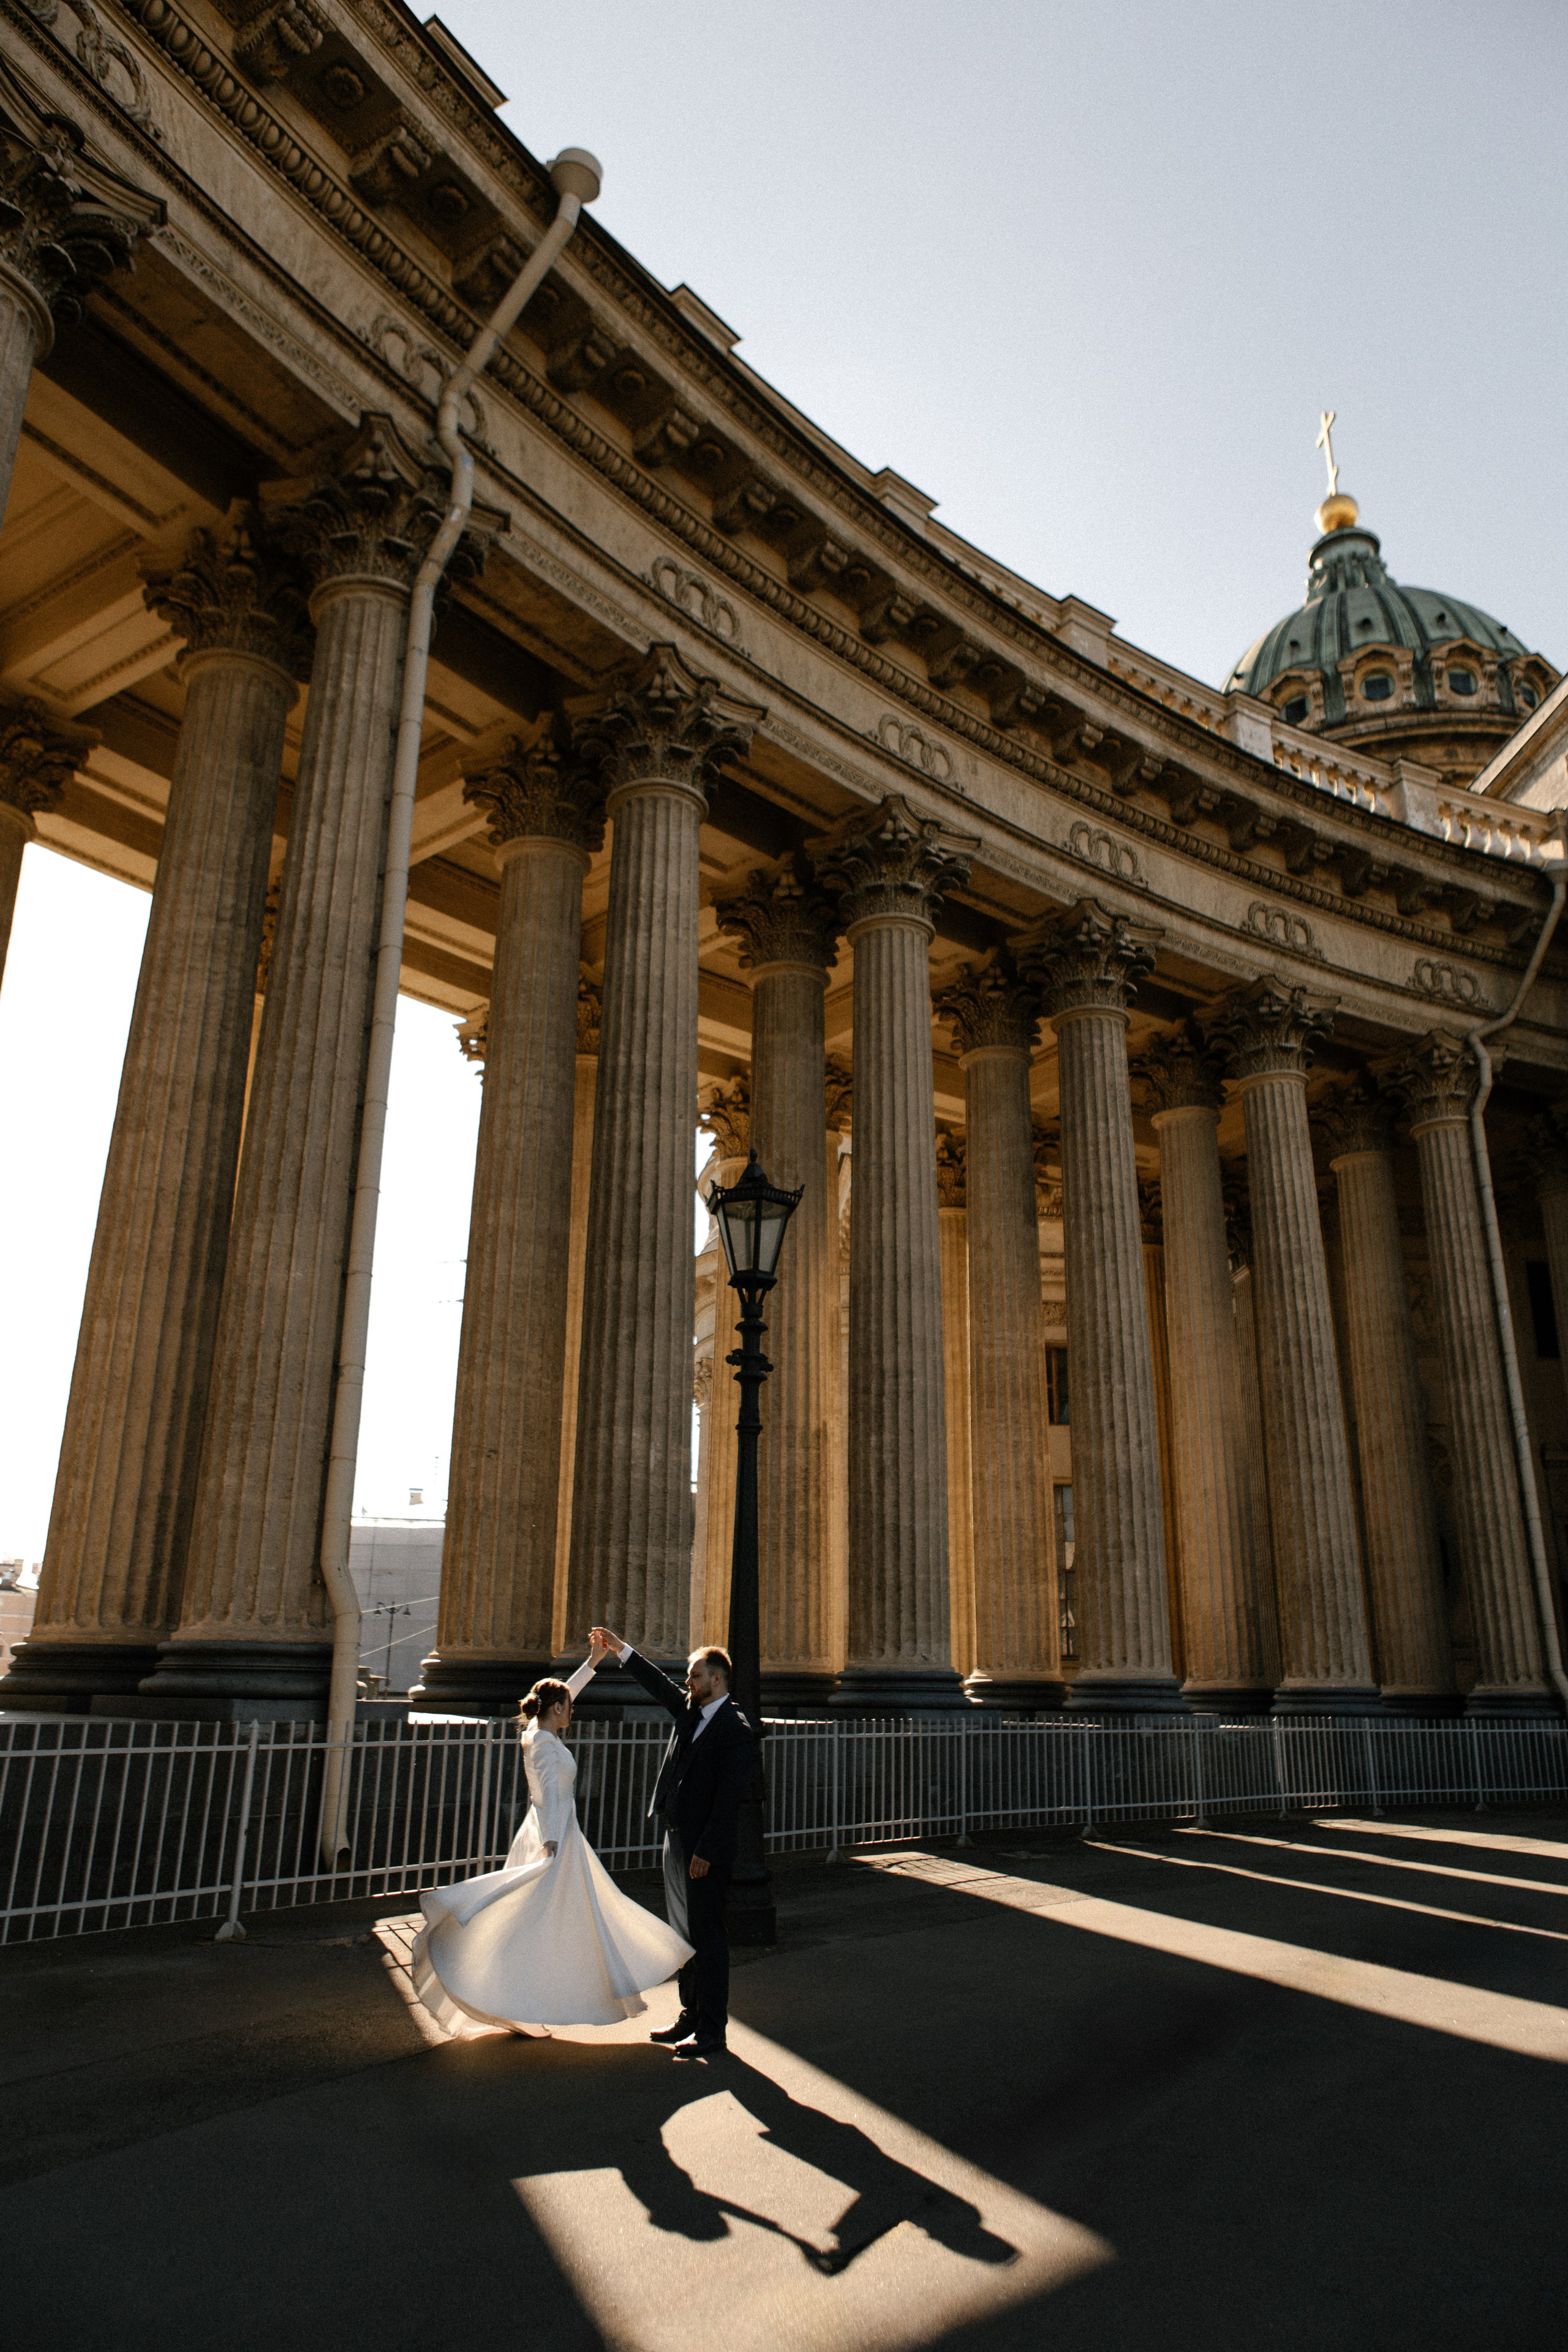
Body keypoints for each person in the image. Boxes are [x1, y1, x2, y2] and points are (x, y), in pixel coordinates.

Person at [412, 1630, 692, 2036]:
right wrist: (552, 1843)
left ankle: (532, 1997)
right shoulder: (544, 1745)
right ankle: (525, 1993)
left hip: (558, 1835)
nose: (573, 1711)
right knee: (547, 1923)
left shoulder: (537, 1732)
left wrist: (594, 1661)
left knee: (557, 1921)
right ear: (557, 1709)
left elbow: (564, 1694)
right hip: (556, 1838)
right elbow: (550, 1797)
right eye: (568, 1708)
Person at [591, 1627, 755, 2058]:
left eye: (696, 1676)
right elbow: (660, 1685)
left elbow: (728, 1800)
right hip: (676, 1839)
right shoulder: (690, 1710)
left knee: (708, 1937)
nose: (689, 1682)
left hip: (703, 1851)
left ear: (717, 1679)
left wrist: (705, 1851)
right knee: (682, 1934)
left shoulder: (734, 1728)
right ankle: (690, 2015)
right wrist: (620, 1649)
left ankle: (713, 2031)